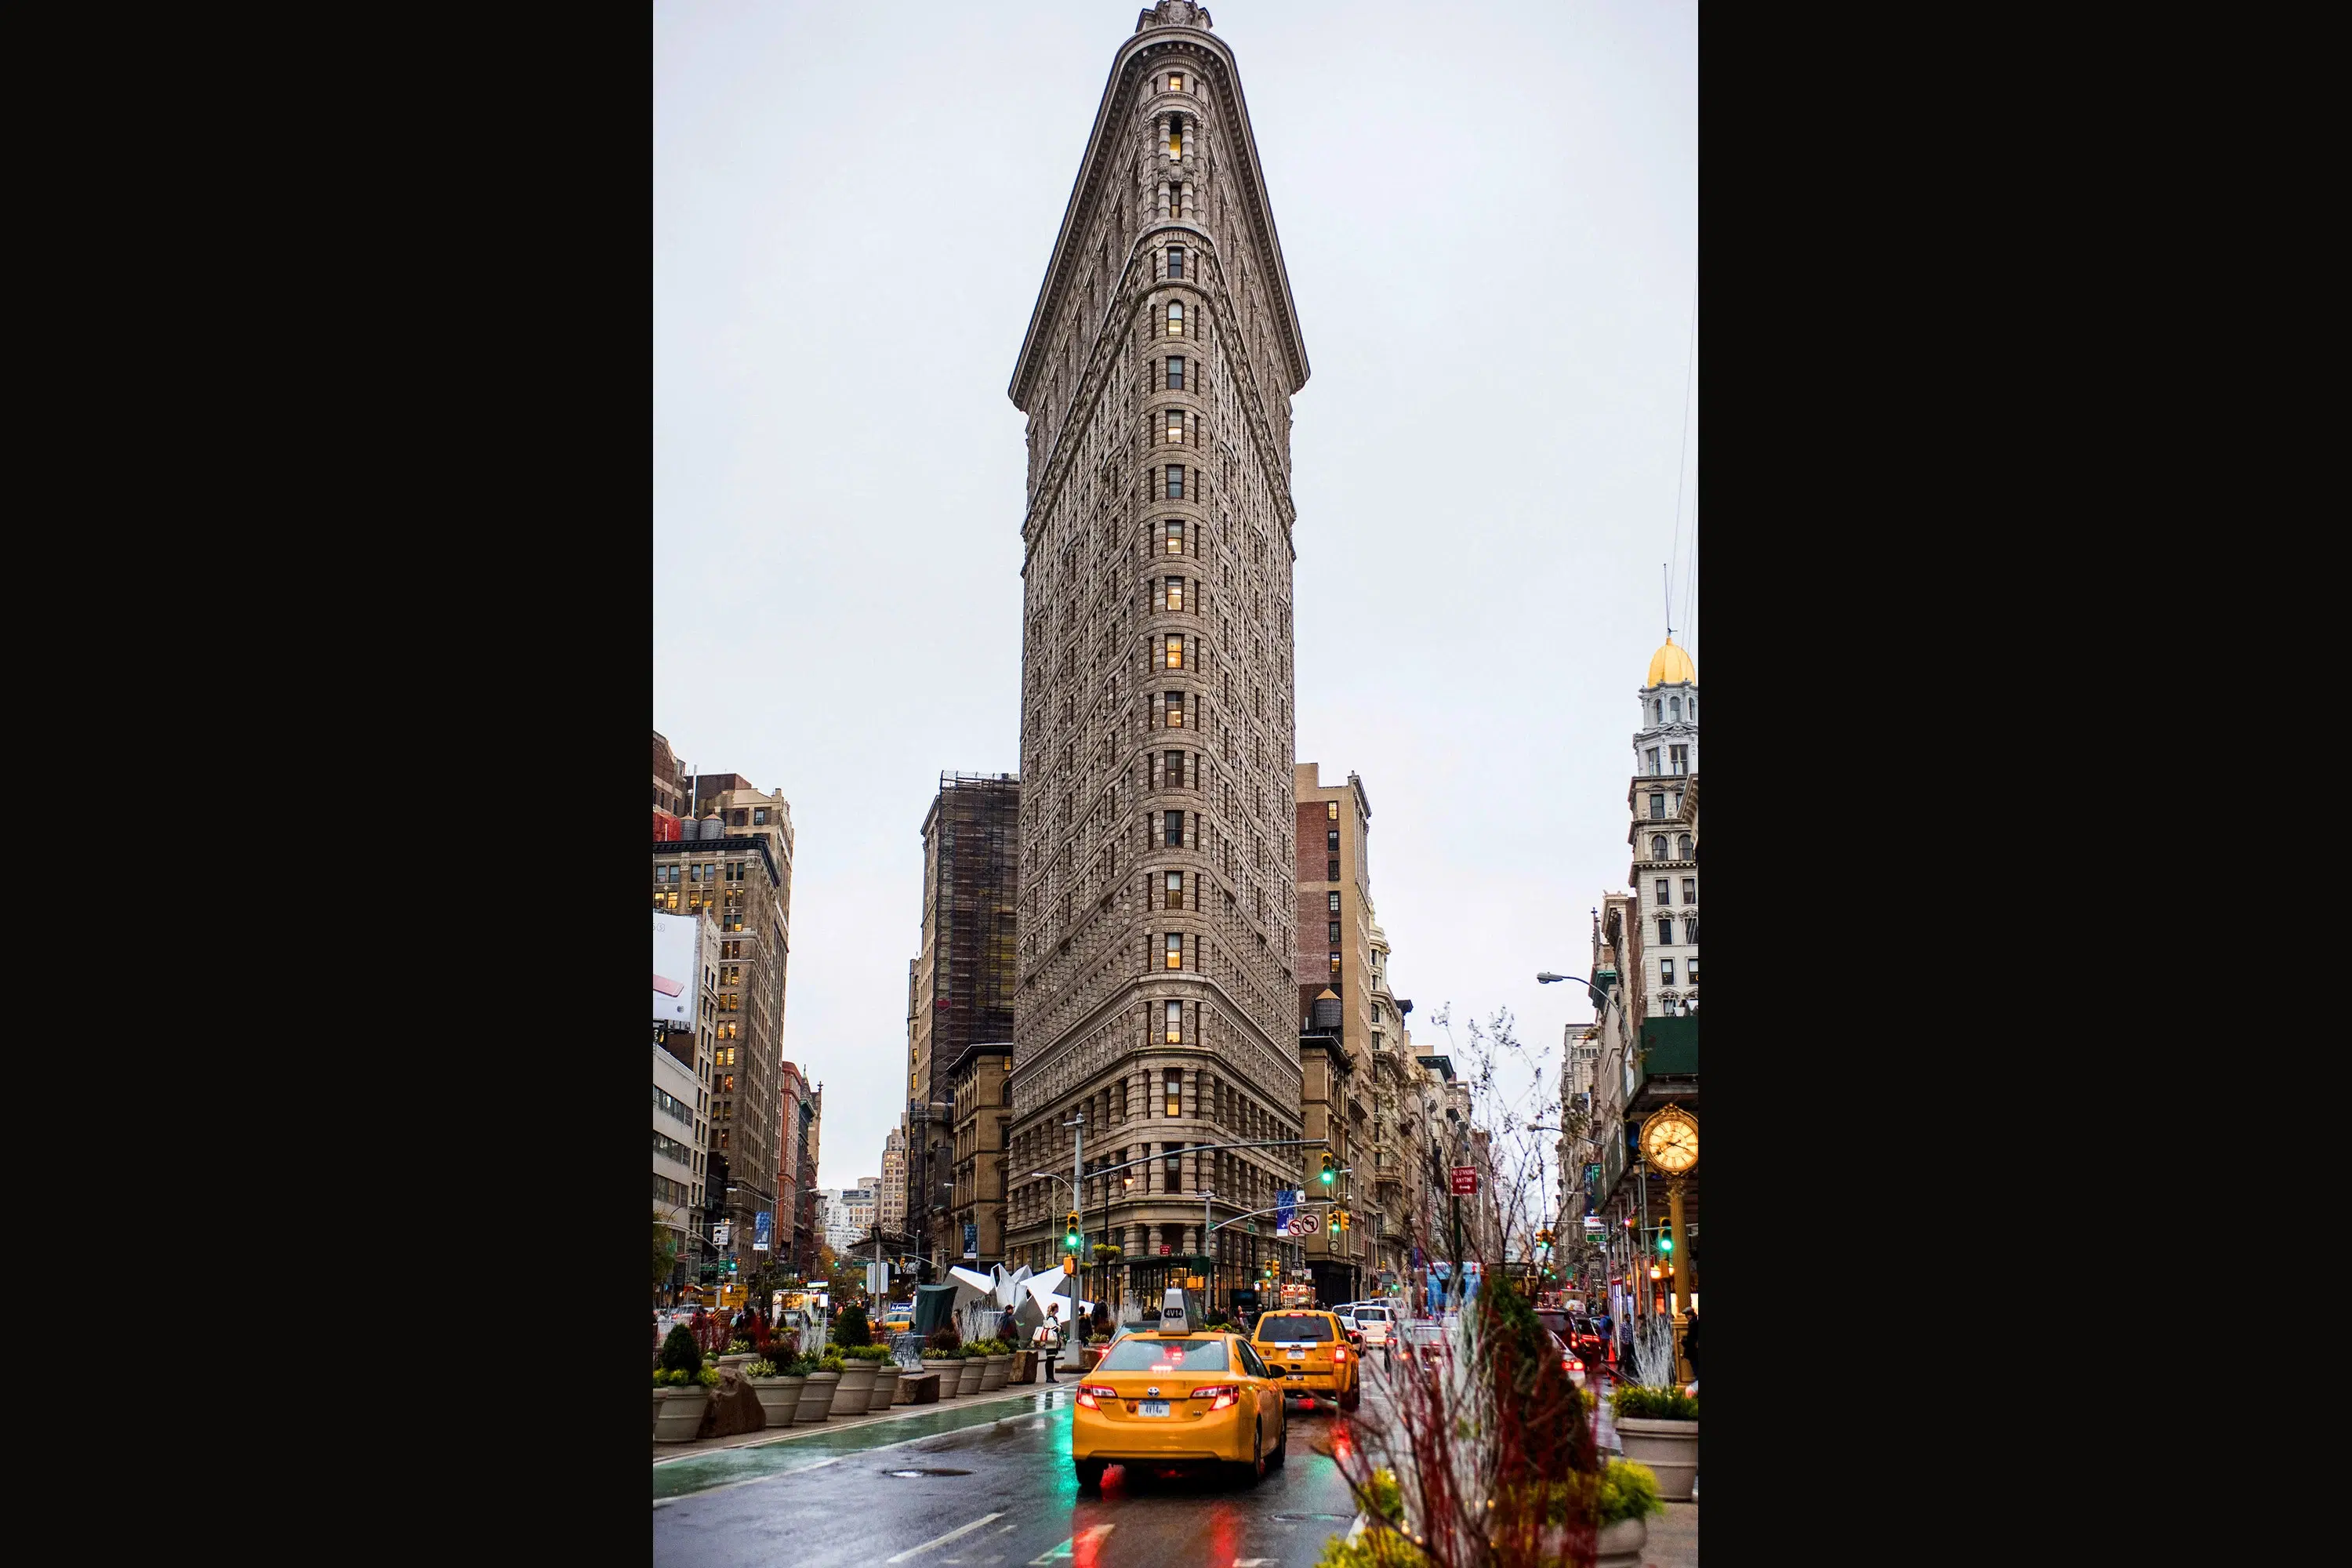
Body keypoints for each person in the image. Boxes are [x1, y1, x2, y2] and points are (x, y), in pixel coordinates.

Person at [1033, 1301, 1065, 1382]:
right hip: (1050, 1341)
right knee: (1050, 1359)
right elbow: (1055, 1328)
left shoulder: (1054, 1318)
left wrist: (1059, 1327)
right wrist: (1059, 1327)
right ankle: (1049, 1377)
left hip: (1053, 1341)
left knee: (1052, 1359)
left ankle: (1051, 1377)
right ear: (1055, 1309)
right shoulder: (1050, 1319)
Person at [1679, 1305, 1699, 1380]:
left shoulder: (1693, 1323)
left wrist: (1683, 1341)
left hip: (1693, 1351)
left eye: (1686, 1315)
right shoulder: (1694, 1322)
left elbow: (1691, 1338)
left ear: (1689, 1315)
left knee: (1696, 1369)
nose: (1686, 1317)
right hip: (1694, 1350)